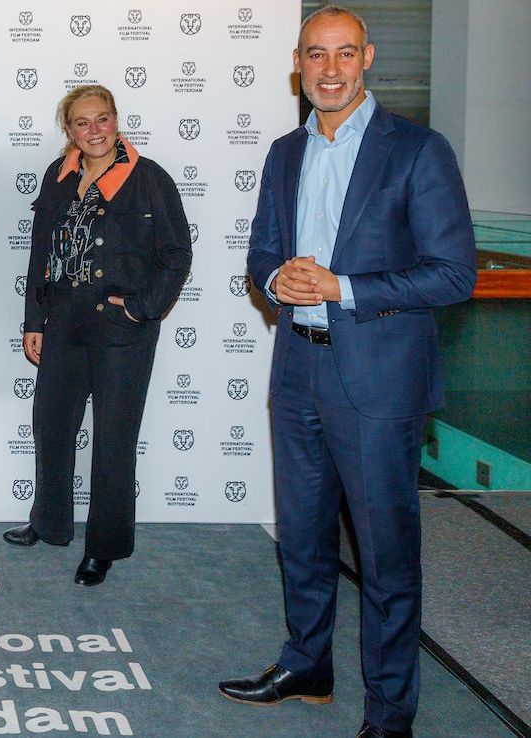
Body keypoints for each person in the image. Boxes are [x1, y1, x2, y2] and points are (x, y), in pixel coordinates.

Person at [217, 8, 476, 738]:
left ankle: (392, 712)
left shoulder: (419, 151)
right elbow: (261, 255)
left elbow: (454, 274)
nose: (328, 71)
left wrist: (343, 288)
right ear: (297, 64)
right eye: (314, 56)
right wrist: (281, 281)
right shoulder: (283, 152)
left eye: (342, 55)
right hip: (297, 367)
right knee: (301, 536)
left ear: (367, 58)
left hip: (378, 385)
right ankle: (309, 665)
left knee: (385, 554)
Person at [3, 85, 191, 586]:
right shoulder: (58, 175)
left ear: (116, 120)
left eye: (102, 119)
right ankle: (48, 522)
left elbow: (177, 256)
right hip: (63, 321)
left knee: (113, 439)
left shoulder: (149, 179)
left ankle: (103, 547)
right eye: (82, 123)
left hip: (120, 330)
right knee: (52, 426)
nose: (94, 130)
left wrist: (140, 309)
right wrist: (33, 321)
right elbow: (40, 254)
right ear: (69, 129)